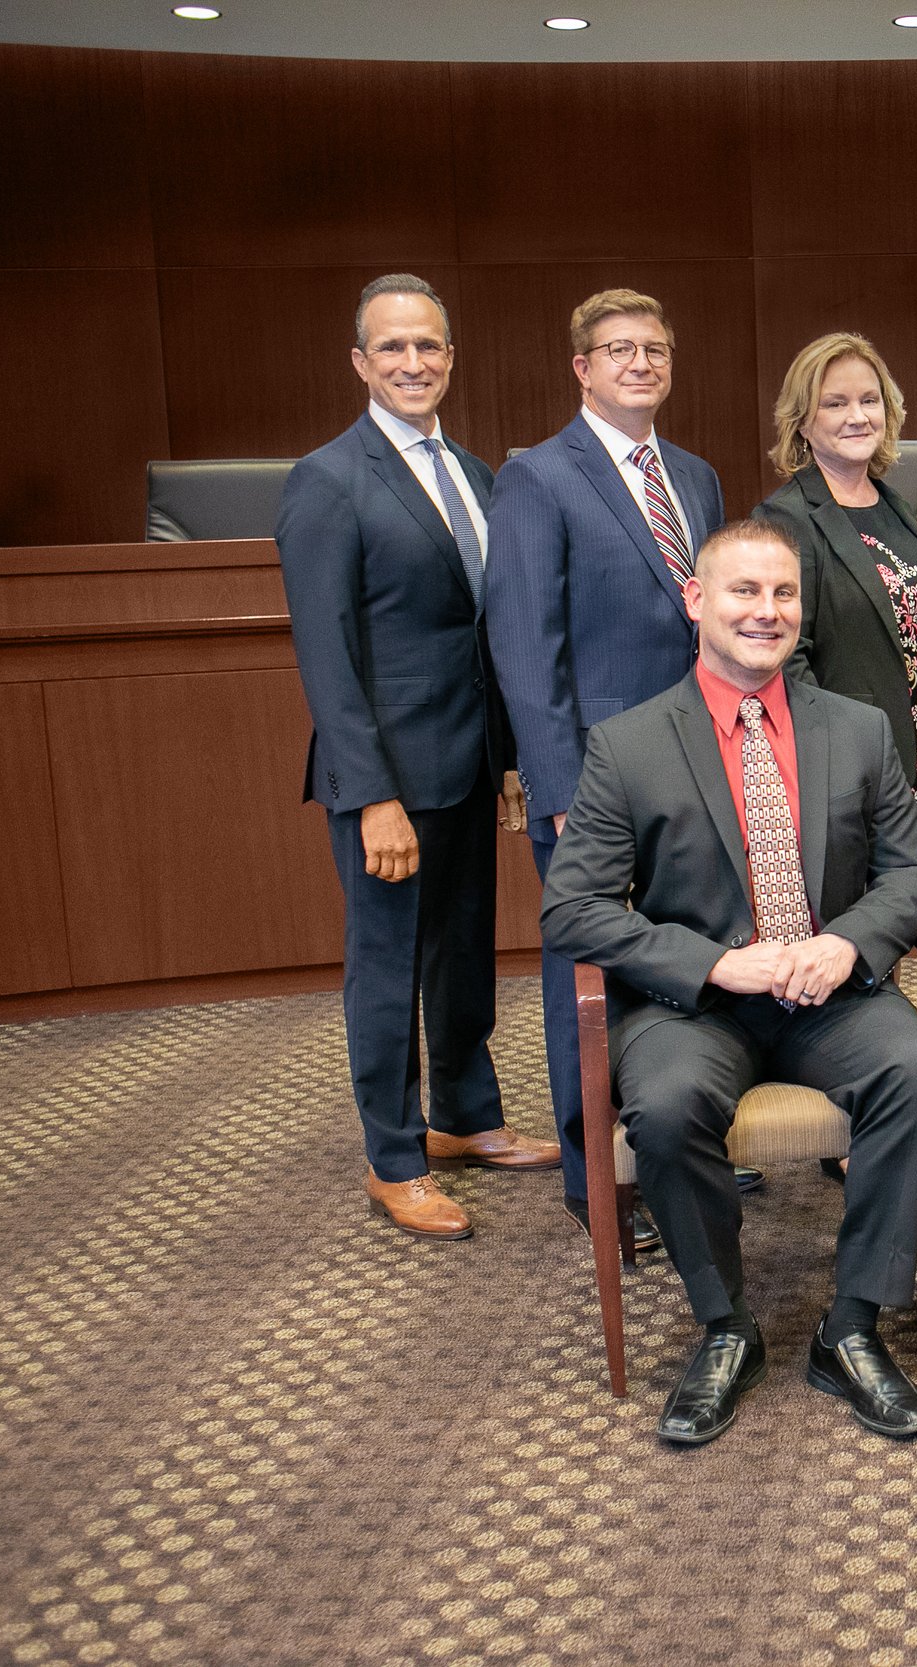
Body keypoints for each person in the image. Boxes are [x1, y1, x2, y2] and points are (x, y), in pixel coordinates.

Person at [544, 518, 917, 1447]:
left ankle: (850, 1326)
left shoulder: (857, 728)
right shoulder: (628, 744)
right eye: (743, 591)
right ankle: (726, 1326)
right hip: (698, 1004)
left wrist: (848, 943)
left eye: (782, 595)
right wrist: (715, 963)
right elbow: (574, 911)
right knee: (668, 1102)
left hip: (831, 991)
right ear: (697, 600)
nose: (764, 612)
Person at [277, 273, 560, 1241]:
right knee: (388, 964)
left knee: (463, 954)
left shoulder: (479, 474)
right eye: (392, 348)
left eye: (428, 346)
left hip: (470, 764)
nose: (412, 363)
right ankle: (392, 1155)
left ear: (450, 357)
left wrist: (512, 757)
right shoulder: (327, 479)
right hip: (390, 778)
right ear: (360, 362)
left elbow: (494, 633)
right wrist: (370, 798)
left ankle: (465, 1116)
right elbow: (328, 654)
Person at [486, 287, 739, 1253]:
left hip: (699, 768)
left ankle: (690, 1138)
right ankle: (600, 1181)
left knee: (695, 949)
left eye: (656, 349)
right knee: (588, 977)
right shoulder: (537, 479)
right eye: (619, 349)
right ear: (582, 368)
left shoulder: (698, 477)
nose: (641, 363)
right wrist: (553, 788)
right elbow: (523, 646)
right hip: (593, 779)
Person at [757, 332, 917, 869]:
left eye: (870, 401)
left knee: (903, 912)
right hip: (844, 774)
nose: (858, 416)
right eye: (836, 403)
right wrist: (840, 759)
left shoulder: (893, 504)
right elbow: (783, 657)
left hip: (915, 759)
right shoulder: (786, 519)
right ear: (802, 420)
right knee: (857, 928)